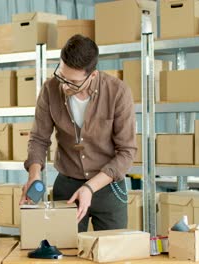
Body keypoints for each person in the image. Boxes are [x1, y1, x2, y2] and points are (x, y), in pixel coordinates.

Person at [20, 34, 136, 232]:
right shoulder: (50, 89)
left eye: (72, 81)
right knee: (64, 253)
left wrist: (90, 187)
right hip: (67, 188)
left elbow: (126, 152)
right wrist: (34, 174)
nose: (64, 85)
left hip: (107, 187)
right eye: (61, 76)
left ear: (93, 75)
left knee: (110, 254)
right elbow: (39, 139)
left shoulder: (118, 92)